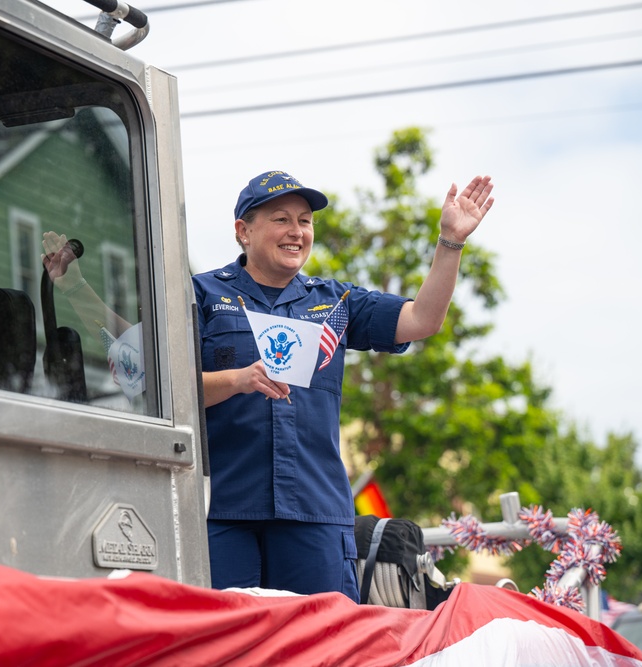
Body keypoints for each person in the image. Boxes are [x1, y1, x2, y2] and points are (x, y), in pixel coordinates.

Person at [193, 170, 495, 602]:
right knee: (227, 645)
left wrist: (450, 242)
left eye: (305, 220)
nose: (296, 231)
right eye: (281, 219)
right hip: (222, 511)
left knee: (326, 647)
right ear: (244, 230)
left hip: (315, 513)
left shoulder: (335, 300)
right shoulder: (200, 294)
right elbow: (159, 388)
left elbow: (423, 319)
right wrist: (238, 380)